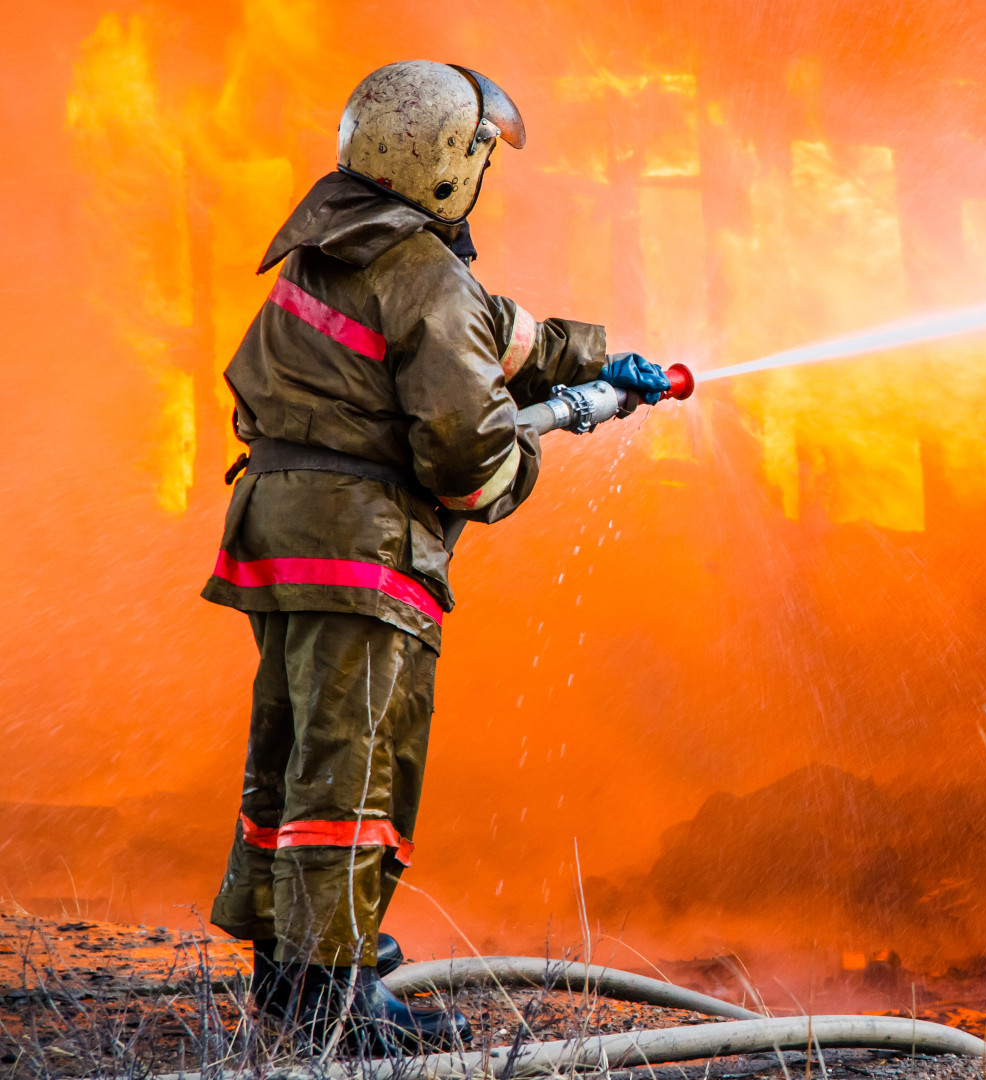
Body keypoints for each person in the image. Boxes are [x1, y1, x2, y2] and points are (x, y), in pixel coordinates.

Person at [200, 60, 669, 1052]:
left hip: (282, 534)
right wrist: (529, 450)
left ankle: (291, 968)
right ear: (446, 165)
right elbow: (466, 454)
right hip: (359, 552)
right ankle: (333, 1001)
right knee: (356, 770)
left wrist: (591, 361)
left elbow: (487, 333)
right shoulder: (419, 274)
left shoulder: (336, 247)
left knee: (292, 758)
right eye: (482, 159)